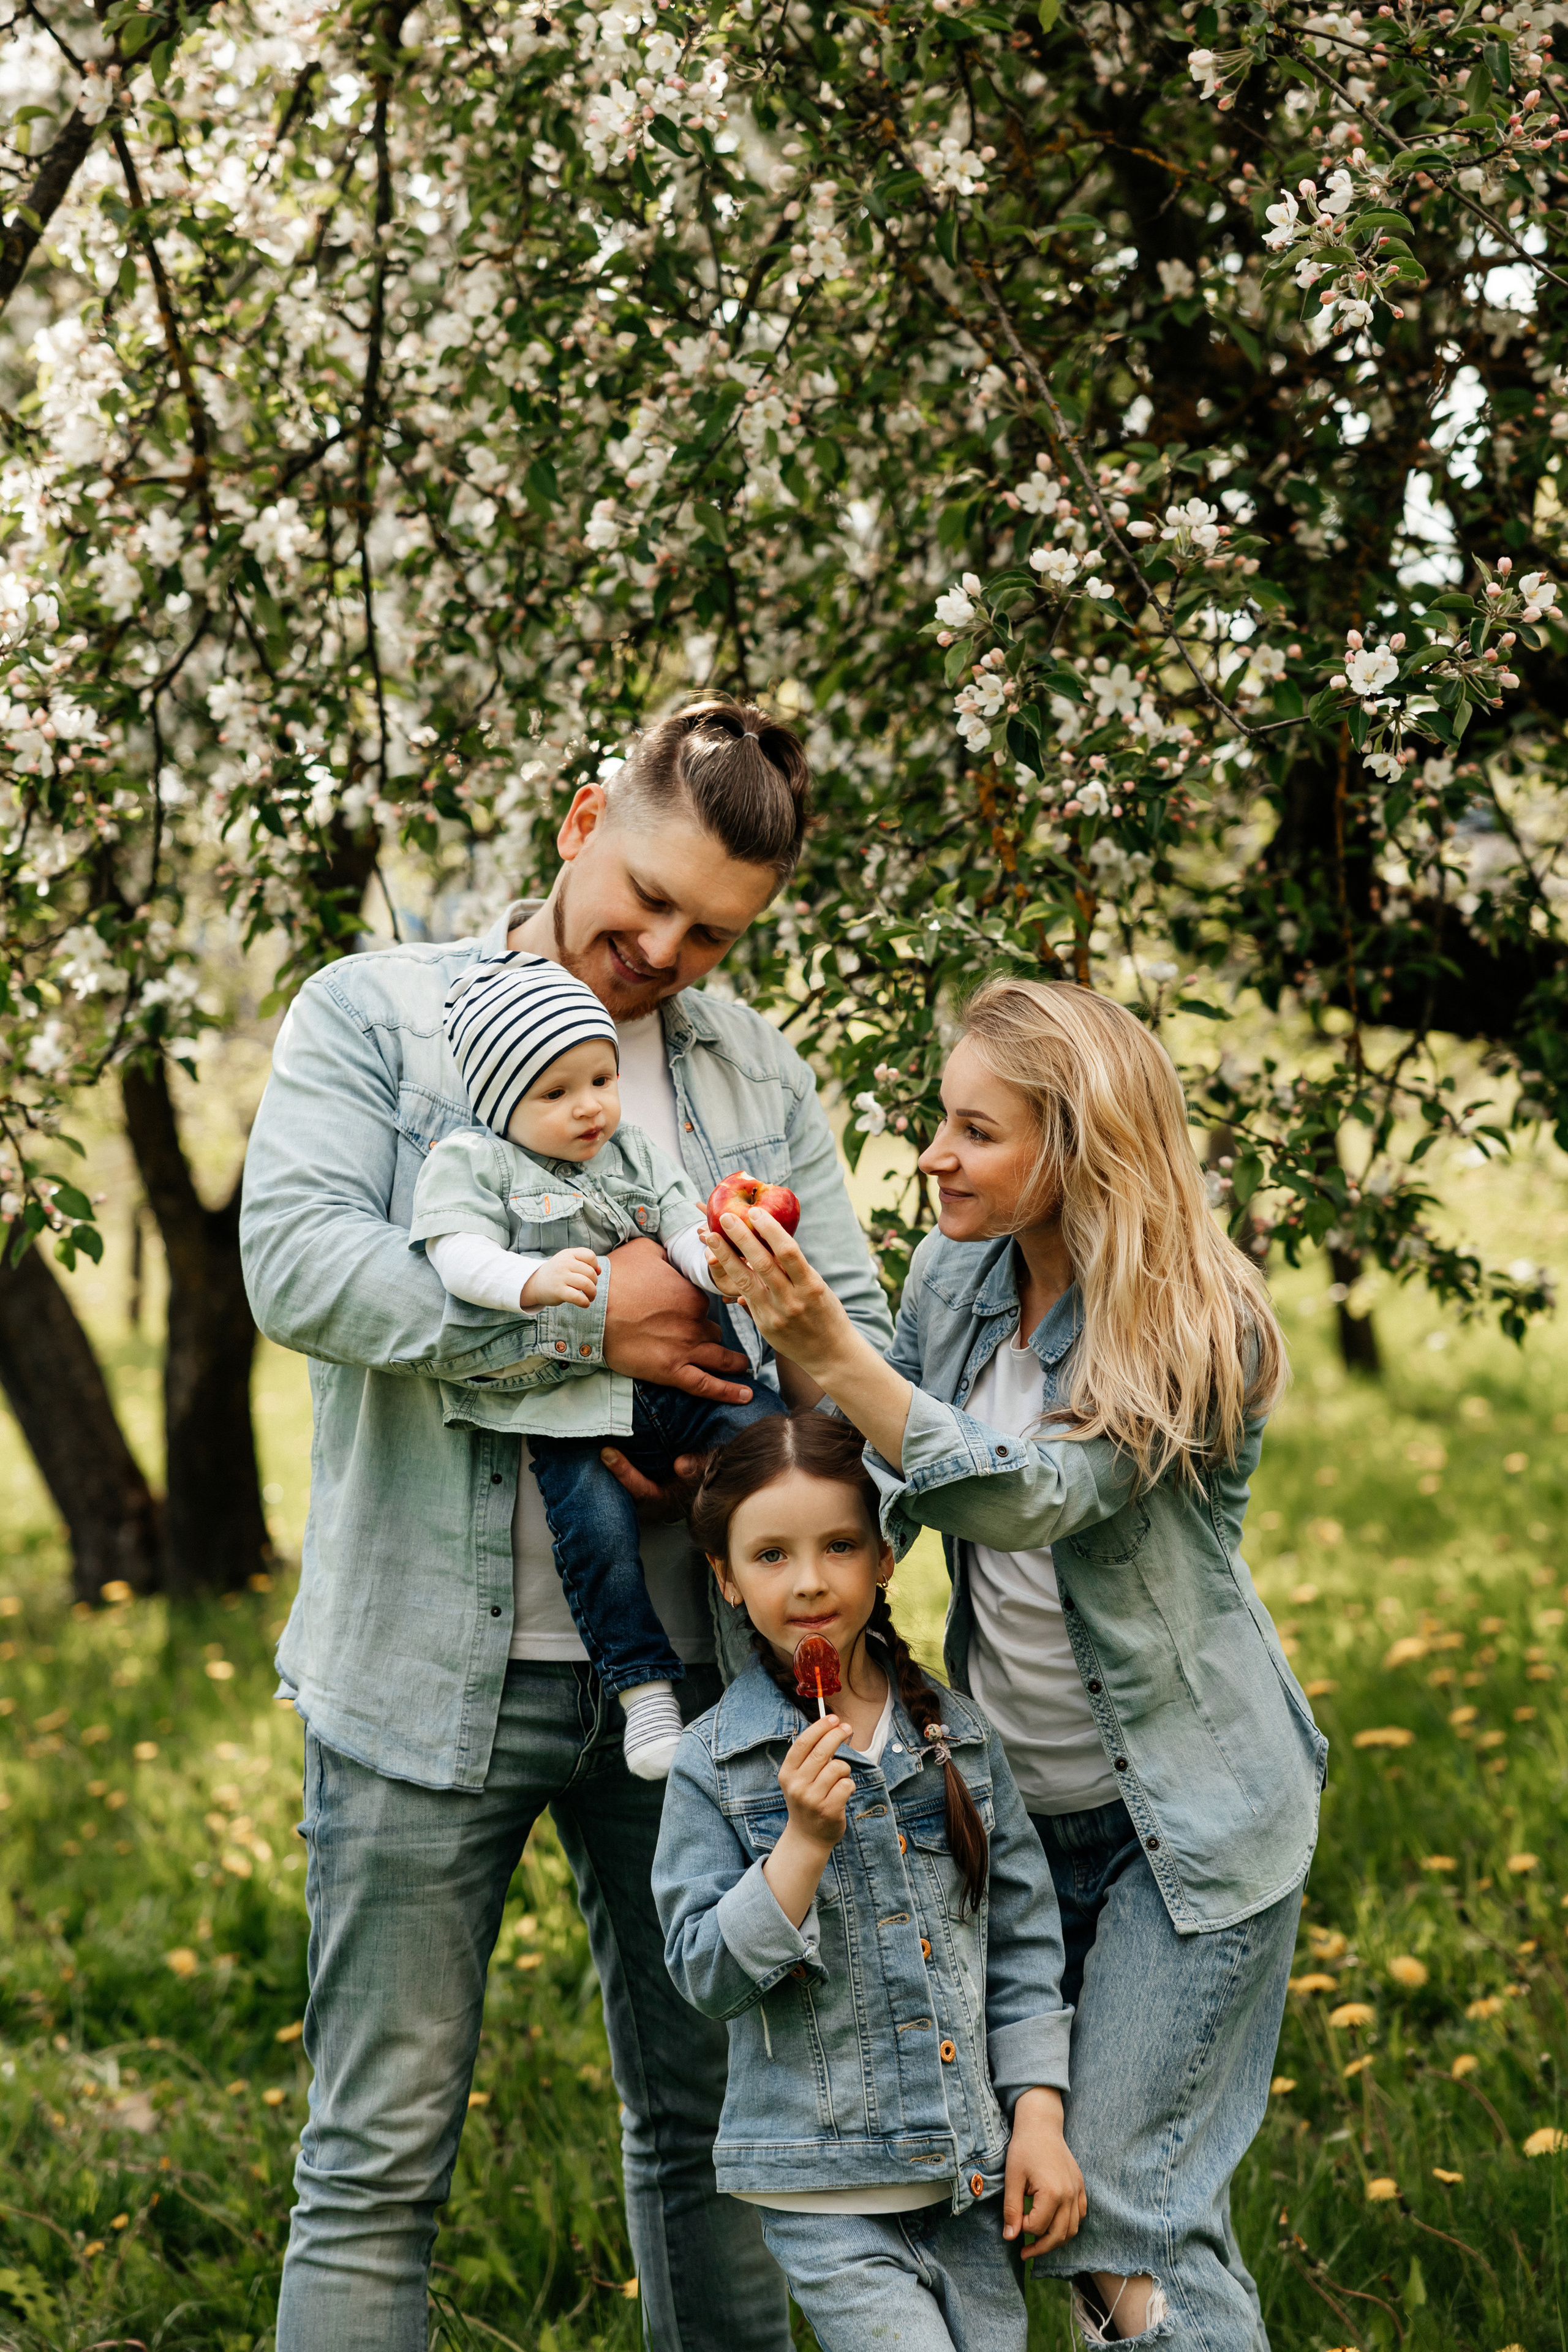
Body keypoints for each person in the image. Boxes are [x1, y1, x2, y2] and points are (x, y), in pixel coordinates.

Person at [238, 698, 894, 2352]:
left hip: (692, 1680)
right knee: (376, 2158)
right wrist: (583, 1329)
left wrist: (740, 1465)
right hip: (417, 1676)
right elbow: (302, 1263)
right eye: (647, 899)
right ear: (583, 817)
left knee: (719, 2134)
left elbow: (851, 1347)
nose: (663, 949)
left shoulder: (754, 1072)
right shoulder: (382, 1017)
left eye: (711, 933)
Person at [702, 976, 1324, 2351]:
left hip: (1191, 1832)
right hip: (1025, 1825)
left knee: (1107, 2215)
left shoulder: (1193, 1317)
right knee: (1120, 2210)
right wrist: (754, 1361)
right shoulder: (955, 1276)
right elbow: (887, 1482)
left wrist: (832, 1349)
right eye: (939, 1120)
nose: (933, 1155)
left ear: (1078, 1147)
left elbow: (1031, 1493)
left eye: (974, 1132)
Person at [653, 1412, 1087, 2352]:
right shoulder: (712, 1767)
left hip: (970, 2175)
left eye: (839, 1545)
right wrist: (800, 1846)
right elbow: (700, 1974)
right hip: (823, 2188)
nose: (809, 1581)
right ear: (725, 1579)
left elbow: (1020, 1943)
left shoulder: (958, 1740)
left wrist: (1040, 2118)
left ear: (884, 1558)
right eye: (770, 1555)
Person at [412, 946, 787, 1777]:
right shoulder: (475, 1162)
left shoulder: (633, 1150)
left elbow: (684, 1220)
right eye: (555, 1093)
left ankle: (790, 1645)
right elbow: (454, 1253)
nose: (589, 1107)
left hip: (675, 1386)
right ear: (500, 1100)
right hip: (568, 1405)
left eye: (600, 1080)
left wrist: (707, 1264)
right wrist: (531, 1281)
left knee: (764, 1437)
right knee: (597, 1531)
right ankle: (642, 1687)